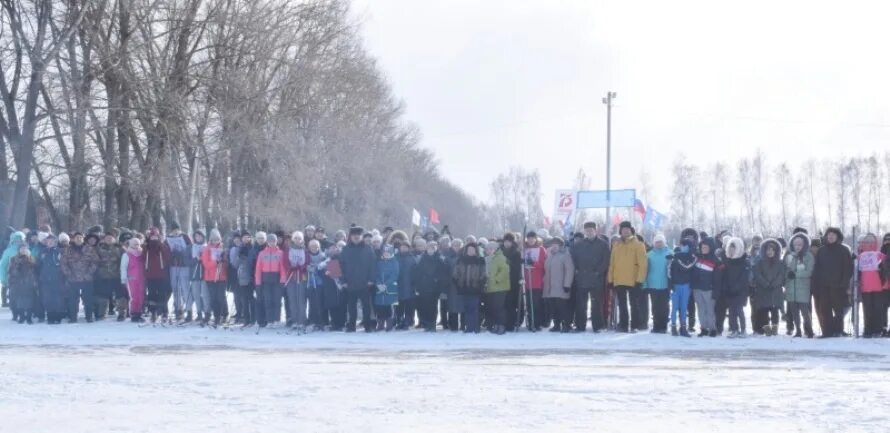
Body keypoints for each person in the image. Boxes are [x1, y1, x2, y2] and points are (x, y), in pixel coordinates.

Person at [812, 227, 853, 338]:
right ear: (826, 236)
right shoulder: (821, 250)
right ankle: (827, 332)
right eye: (829, 234)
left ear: (838, 237)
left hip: (838, 286)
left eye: (833, 235)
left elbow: (848, 268)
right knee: (825, 310)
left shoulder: (843, 250)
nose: (831, 236)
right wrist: (816, 284)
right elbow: (817, 268)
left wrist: (844, 284)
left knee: (839, 310)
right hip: (823, 286)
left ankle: (838, 330)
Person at [608, 221, 648, 333]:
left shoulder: (639, 245)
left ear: (631, 230)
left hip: (633, 280)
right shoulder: (616, 245)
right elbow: (612, 263)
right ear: (620, 231)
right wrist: (610, 280)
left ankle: (635, 325)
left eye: (627, 229)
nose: (625, 231)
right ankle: (623, 324)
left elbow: (643, 264)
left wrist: (640, 280)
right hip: (619, 280)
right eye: (623, 229)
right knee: (622, 304)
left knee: (634, 304)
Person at [339, 226, 377, 332]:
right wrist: (343, 281)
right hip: (350, 283)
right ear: (350, 237)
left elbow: (373, 265)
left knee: (366, 306)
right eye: (354, 235)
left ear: (361, 236)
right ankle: (351, 325)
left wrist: (371, 279)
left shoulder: (368, 249)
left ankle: (367, 325)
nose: (356, 237)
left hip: (365, 283)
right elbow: (340, 266)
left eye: (358, 235)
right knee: (351, 307)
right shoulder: (345, 249)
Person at [60, 232, 99, 323]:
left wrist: (89, 273)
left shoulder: (90, 249)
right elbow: (63, 263)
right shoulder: (67, 250)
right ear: (73, 239)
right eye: (77, 238)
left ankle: (89, 317)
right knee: (73, 300)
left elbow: (95, 262)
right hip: (73, 279)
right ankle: (73, 317)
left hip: (87, 279)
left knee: (88, 299)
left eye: (80, 237)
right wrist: (69, 274)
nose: (79, 239)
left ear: (83, 239)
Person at [752, 239, 785, 336]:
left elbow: (782, 274)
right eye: (768, 250)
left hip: (776, 291)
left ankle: (774, 330)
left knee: (775, 312)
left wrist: (775, 283)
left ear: (776, 251)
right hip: (763, 291)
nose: (770, 252)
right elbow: (757, 274)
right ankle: (767, 330)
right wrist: (765, 283)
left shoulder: (780, 262)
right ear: (764, 251)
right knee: (764, 312)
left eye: (772, 250)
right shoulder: (760, 262)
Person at [785, 232, 815, 338]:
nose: (797, 247)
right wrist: (787, 276)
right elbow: (786, 270)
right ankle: (798, 330)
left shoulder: (808, 256)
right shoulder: (789, 256)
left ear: (804, 245)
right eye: (795, 245)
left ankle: (809, 330)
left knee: (805, 312)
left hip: (803, 288)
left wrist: (796, 274)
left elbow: (809, 272)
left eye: (800, 245)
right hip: (791, 288)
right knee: (794, 312)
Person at [542, 237, 574, 333]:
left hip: (561, 286)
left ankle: (566, 324)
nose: (554, 246)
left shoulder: (565, 255)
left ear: (561, 245)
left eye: (556, 244)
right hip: (550, 287)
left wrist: (567, 284)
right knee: (553, 307)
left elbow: (570, 270)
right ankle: (556, 324)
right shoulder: (549, 255)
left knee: (562, 307)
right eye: (552, 244)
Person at [453, 242, 486, 333]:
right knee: (467, 308)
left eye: (472, 249)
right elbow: (456, 273)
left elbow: (483, 274)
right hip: (464, 288)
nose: (471, 251)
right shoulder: (461, 260)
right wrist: (458, 284)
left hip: (475, 288)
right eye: (469, 249)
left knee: (474, 308)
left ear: (476, 251)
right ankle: (469, 327)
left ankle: (476, 327)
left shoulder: (480, 260)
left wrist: (480, 284)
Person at [253, 233, 285, 328]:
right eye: (270, 241)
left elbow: (283, 268)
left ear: (276, 242)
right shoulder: (262, 253)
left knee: (277, 300)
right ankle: (269, 320)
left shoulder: (280, 253)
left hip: (277, 279)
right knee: (268, 300)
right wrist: (258, 282)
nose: (272, 243)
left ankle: (276, 319)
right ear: (267, 242)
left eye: (274, 241)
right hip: (265, 279)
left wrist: (283, 280)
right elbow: (258, 268)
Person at [857, 233, 886, 338]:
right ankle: (867, 330)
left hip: (878, 286)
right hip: (865, 287)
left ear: (875, 242)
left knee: (878, 309)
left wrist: (881, 269)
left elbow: (886, 268)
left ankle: (877, 329)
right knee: (867, 309)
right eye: (867, 241)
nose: (869, 243)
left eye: (871, 241)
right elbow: (857, 272)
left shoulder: (880, 255)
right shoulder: (860, 256)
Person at [721, 237, 750, 338]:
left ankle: (743, 330)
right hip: (729, 290)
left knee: (739, 311)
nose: (731, 250)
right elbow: (724, 276)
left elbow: (744, 278)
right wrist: (726, 287)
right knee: (731, 311)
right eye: (730, 248)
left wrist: (736, 288)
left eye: (734, 248)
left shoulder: (744, 261)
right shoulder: (727, 261)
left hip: (740, 291)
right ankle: (734, 329)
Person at [691, 237, 720, 337]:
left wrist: (716, 291)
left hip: (709, 289)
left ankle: (712, 329)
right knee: (701, 309)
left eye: (706, 247)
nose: (704, 249)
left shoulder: (715, 261)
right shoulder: (697, 258)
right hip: (697, 288)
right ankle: (703, 328)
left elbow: (717, 279)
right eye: (702, 247)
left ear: (710, 248)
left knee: (710, 310)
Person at [143, 227, 172, 322]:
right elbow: (142, 258)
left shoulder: (162, 246)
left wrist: (160, 245)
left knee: (162, 294)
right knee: (151, 294)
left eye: (156, 236)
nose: (154, 238)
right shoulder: (146, 247)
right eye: (152, 236)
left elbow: (167, 257)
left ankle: (164, 312)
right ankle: (153, 312)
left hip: (161, 274)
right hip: (150, 275)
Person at [201, 229, 229, 326]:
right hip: (210, 277)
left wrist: (224, 260)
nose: (215, 241)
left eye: (217, 239)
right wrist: (215, 262)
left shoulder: (223, 248)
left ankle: (224, 314)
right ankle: (217, 316)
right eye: (213, 239)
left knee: (221, 296)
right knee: (213, 298)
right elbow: (206, 264)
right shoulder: (207, 249)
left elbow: (226, 264)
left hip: (221, 277)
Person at [670, 239, 696, 337]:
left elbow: (688, 268)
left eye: (684, 245)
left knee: (684, 308)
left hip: (686, 285)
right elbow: (670, 273)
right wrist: (671, 285)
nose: (682, 247)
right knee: (674, 307)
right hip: (676, 285)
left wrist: (691, 285)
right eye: (681, 245)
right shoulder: (675, 258)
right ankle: (673, 327)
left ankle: (683, 328)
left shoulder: (692, 258)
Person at [166, 222, 192, 321]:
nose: (175, 232)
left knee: (185, 288)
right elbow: (166, 250)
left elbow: (190, 248)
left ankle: (189, 310)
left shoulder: (185, 236)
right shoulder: (168, 238)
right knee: (175, 288)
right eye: (173, 230)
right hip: (173, 265)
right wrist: (172, 254)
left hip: (184, 265)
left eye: (176, 230)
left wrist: (183, 253)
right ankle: (178, 309)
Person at [645, 234, 671, 334]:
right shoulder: (649, 254)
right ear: (654, 243)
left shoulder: (669, 253)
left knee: (664, 306)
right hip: (653, 284)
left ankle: (663, 326)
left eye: (660, 242)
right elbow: (646, 269)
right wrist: (645, 283)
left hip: (665, 284)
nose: (659, 244)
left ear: (664, 242)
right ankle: (656, 325)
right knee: (655, 306)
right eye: (657, 242)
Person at [414, 240, 443, 332]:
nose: (431, 250)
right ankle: (426, 323)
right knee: (424, 306)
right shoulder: (423, 258)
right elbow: (418, 273)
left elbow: (442, 272)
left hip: (434, 287)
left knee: (433, 306)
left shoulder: (439, 259)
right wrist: (418, 285)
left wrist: (437, 279)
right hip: (424, 287)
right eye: (429, 248)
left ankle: (432, 324)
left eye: (433, 248)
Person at [284, 231, 310, 330]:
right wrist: (291, 267)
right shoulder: (288, 250)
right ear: (293, 239)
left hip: (302, 276)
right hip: (291, 276)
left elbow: (307, 261)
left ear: (302, 240)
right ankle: (294, 320)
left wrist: (302, 267)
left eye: (299, 238)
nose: (297, 240)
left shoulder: (305, 250)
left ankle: (302, 320)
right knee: (293, 299)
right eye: (296, 238)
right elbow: (285, 262)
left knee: (301, 299)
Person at [522, 231, 547, 331]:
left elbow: (543, 264)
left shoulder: (541, 250)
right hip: (527, 281)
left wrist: (534, 263)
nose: (531, 240)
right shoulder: (524, 249)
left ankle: (537, 323)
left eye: (532, 238)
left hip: (537, 281)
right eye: (529, 238)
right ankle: (530, 322)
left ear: (536, 239)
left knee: (536, 303)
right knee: (528, 303)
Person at [93, 232, 121, 321]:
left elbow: (123, 260)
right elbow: (95, 260)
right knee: (103, 296)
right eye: (107, 238)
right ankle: (102, 314)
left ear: (114, 239)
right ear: (104, 239)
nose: (109, 239)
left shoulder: (119, 248)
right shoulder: (99, 248)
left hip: (116, 275)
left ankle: (121, 313)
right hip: (103, 275)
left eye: (111, 238)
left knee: (119, 295)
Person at [319, 241, 345, 330]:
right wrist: (326, 272)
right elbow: (319, 269)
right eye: (332, 248)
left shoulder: (342, 258)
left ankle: (341, 323)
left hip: (340, 285)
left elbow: (342, 271)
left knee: (341, 305)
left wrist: (336, 274)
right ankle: (334, 323)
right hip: (329, 285)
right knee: (332, 305)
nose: (334, 250)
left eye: (335, 248)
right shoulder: (326, 259)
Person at [8, 245, 37, 324]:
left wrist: (28, 260)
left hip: (29, 282)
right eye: (22, 248)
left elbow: (35, 268)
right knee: (20, 301)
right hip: (18, 283)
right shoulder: (14, 259)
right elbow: (11, 271)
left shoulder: (31, 258)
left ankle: (29, 317)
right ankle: (21, 316)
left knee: (30, 301)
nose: (23, 250)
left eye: (25, 248)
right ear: (19, 250)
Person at [120, 237, 146, 323]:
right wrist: (123, 278)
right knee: (134, 297)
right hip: (131, 279)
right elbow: (123, 267)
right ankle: (134, 314)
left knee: (141, 296)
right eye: (135, 244)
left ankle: (139, 313)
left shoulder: (141, 253)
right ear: (131, 244)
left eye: (138, 244)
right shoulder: (127, 254)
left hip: (141, 278)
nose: (136, 245)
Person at [374, 244, 400, 331]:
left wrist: (386, 284)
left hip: (390, 287)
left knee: (389, 307)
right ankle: (380, 323)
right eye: (384, 252)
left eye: (388, 252)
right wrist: (378, 283)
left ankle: (389, 323)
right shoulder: (379, 263)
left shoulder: (395, 262)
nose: (386, 254)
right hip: (380, 287)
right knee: (380, 306)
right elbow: (376, 274)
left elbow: (395, 275)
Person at [502, 233, 523, 331]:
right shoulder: (500, 251)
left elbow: (517, 267)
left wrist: (509, 263)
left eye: (509, 242)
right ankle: (505, 322)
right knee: (504, 304)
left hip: (513, 281)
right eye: (505, 241)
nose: (507, 244)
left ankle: (511, 323)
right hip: (502, 281)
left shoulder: (516, 252)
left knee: (511, 304)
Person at [188, 230, 209, 323]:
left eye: (200, 236)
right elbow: (187, 261)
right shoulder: (191, 247)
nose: (198, 238)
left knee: (205, 295)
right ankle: (199, 313)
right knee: (196, 294)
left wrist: (202, 259)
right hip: (194, 274)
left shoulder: (206, 247)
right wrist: (195, 259)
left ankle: (207, 313)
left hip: (204, 275)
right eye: (196, 236)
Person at [395, 242, 416, 330]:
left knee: (408, 305)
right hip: (397, 285)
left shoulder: (412, 258)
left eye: (405, 247)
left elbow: (415, 272)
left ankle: (407, 321)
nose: (403, 249)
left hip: (409, 285)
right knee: (398, 305)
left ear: (408, 248)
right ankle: (399, 320)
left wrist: (414, 283)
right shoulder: (395, 257)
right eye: (402, 247)